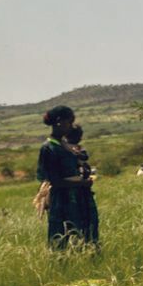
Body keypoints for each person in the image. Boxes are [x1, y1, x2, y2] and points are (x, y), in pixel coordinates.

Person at [36, 106, 91, 249]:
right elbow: (54, 181)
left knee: (81, 240)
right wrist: (81, 183)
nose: (71, 126)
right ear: (59, 122)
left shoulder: (65, 145)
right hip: (62, 201)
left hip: (76, 199)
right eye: (69, 122)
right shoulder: (49, 148)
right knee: (60, 241)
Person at [64, 124, 101, 247]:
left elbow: (85, 156)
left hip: (83, 190)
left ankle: (89, 245)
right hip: (72, 192)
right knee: (74, 224)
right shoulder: (62, 149)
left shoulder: (79, 148)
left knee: (89, 222)